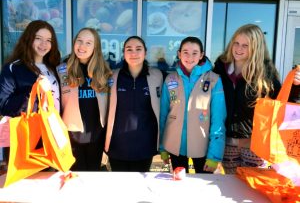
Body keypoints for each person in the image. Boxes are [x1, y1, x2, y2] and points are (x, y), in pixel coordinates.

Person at [213, 24, 282, 174]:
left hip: (255, 145)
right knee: (231, 186)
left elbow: (283, 104)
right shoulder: (220, 69)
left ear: (256, 48)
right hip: (227, 142)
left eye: (245, 45)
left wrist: (296, 86)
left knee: (252, 189)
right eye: (236, 43)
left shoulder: (266, 74)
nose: (239, 48)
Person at [159, 36, 227, 173]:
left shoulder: (213, 80)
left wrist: (214, 155)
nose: (189, 57)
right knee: (179, 185)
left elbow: (218, 119)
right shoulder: (170, 79)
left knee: (202, 187)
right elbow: (163, 115)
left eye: (195, 53)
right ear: (179, 54)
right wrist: (162, 147)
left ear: (201, 55)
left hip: (202, 147)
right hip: (175, 147)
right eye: (185, 52)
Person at [0, 20, 61, 168]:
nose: (43, 44)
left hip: (52, 135)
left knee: (49, 181)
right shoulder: (14, 68)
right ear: (29, 38)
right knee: (26, 184)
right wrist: (33, 91)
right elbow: (3, 105)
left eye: (48, 40)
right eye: (38, 38)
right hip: (26, 136)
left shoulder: (54, 68)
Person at [56, 27, 112, 171]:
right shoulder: (62, 69)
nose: (82, 46)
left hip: (96, 137)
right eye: (79, 41)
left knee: (92, 179)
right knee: (75, 181)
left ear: (95, 47)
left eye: (88, 43)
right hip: (71, 138)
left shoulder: (104, 70)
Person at [105, 36, 163, 172]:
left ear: (145, 53)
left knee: (140, 188)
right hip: (117, 145)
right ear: (123, 53)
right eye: (129, 49)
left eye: (138, 49)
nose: (134, 53)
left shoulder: (158, 76)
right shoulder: (112, 76)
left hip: (145, 145)